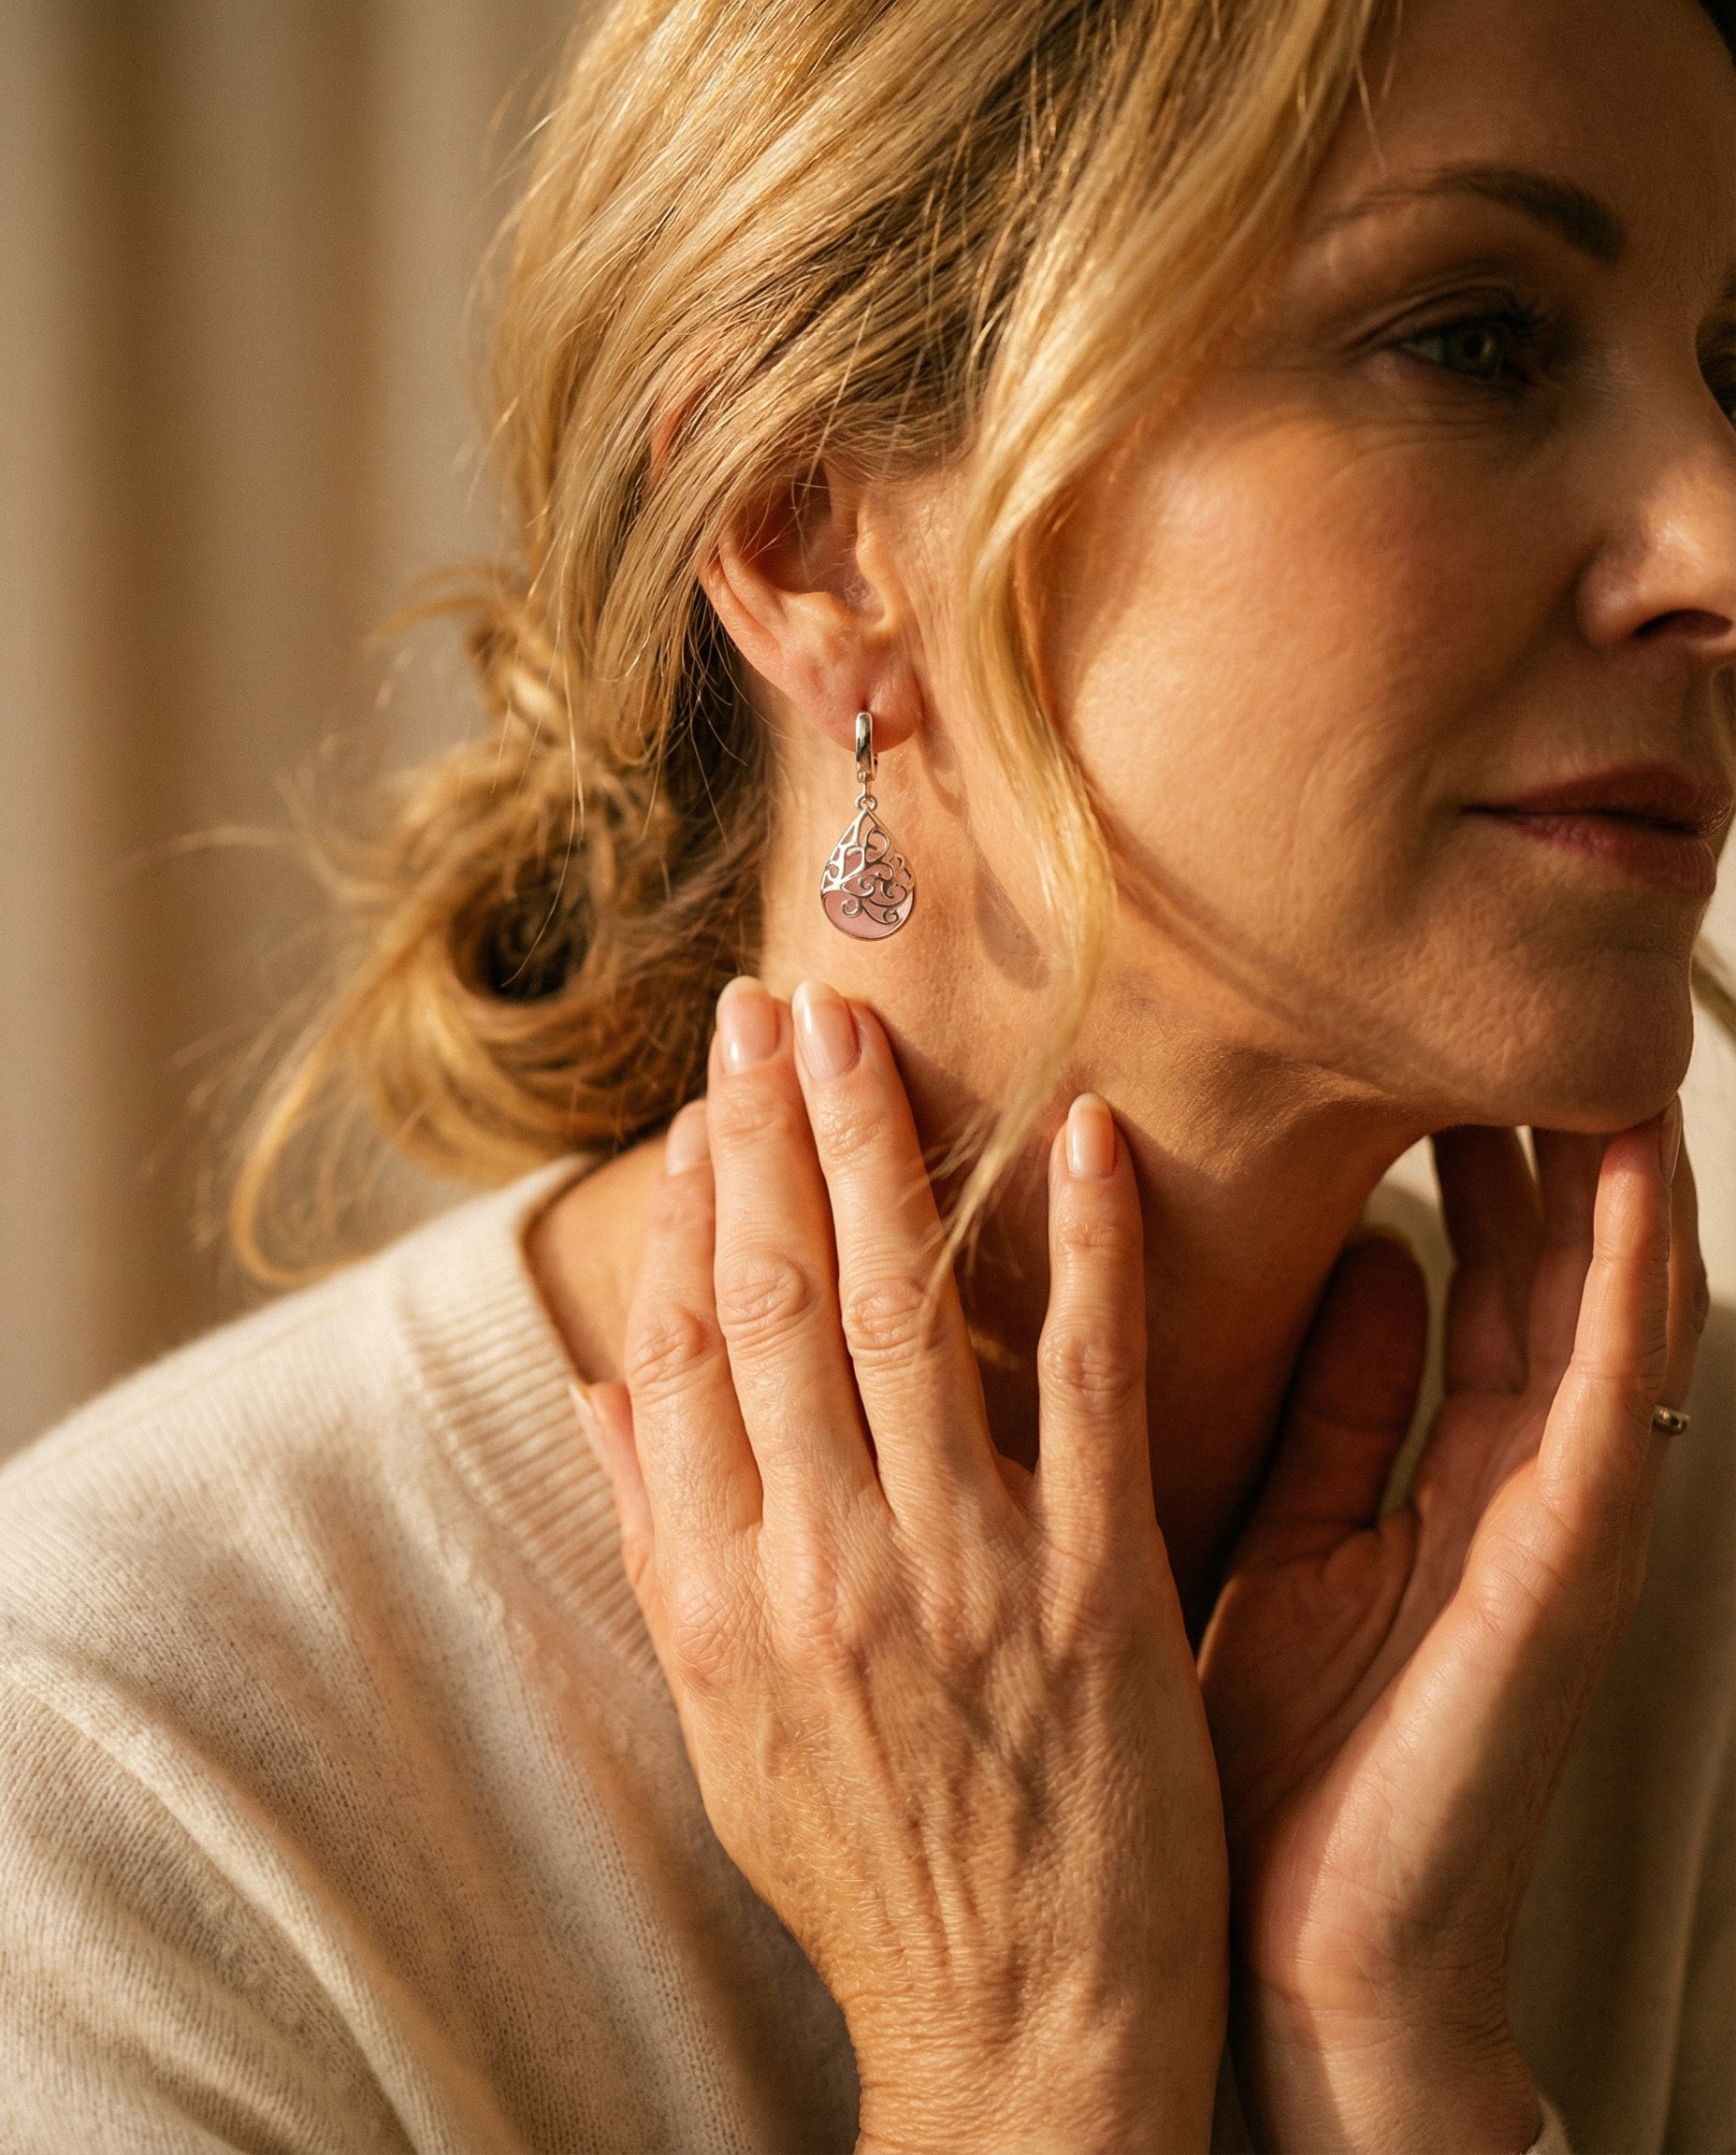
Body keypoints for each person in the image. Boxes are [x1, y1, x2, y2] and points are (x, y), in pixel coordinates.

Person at [2, 0, 1733, 2147]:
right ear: (812, 530)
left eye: (1728, 370)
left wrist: (1386, 2056)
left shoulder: (1705, 1575)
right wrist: (1022, 2060)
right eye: (1475, 337)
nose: (1718, 552)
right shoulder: (116, 1770)